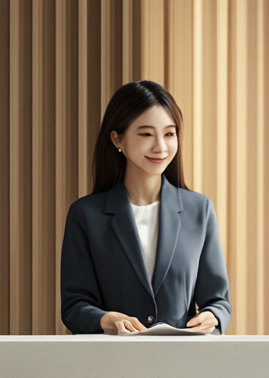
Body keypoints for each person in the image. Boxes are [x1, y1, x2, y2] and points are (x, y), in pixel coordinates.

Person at [61, 80, 231, 334]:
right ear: (117, 138)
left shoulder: (199, 210)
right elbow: (74, 306)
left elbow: (218, 301)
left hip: (185, 363)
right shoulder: (86, 215)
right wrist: (106, 319)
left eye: (169, 134)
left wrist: (212, 316)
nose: (160, 147)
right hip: (112, 363)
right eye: (146, 134)